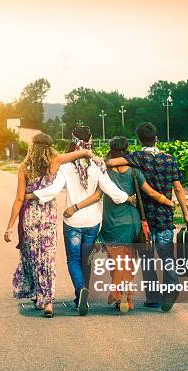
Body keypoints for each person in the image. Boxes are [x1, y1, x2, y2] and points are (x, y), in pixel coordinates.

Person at [25, 126, 136, 316]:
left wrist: (31, 195)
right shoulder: (97, 166)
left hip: (73, 222)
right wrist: (127, 198)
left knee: (74, 259)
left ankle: (80, 290)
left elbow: (53, 190)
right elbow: (110, 190)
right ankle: (81, 295)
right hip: (93, 222)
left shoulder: (66, 168)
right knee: (86, 260)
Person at [64, 136, 175, 313]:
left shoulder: (105, 171)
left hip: (113, 222)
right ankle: (126, 296)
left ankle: (120, 296)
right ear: (127, 150)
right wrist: (169, 202)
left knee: (117, 262)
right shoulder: (135, 171)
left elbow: (97, 195)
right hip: (133, 222)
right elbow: (151, 193)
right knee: (129, 260)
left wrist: (75, 207)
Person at [106, 122, 188, 312]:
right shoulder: (169, 159)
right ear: (156, 138)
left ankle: (153, 298)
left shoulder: (137, 157)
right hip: (164, 218)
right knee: (166, 256)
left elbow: (111, 163)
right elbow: (178, 187)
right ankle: (172, 288)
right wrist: (186, 214)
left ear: (139, 139)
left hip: (144, 219)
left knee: (147, 259)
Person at [4, 133, 92, 318]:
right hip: (48, 218)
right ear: (50, 147)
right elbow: (83, 153)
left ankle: (39, 295)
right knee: (48, 258)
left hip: (29, 218)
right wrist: (89, 154)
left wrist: (9, 226)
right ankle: (48, 302)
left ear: (32, 146)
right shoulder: (55, 162)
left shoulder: (24, 168)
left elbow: (19, 198)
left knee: (34, 257)